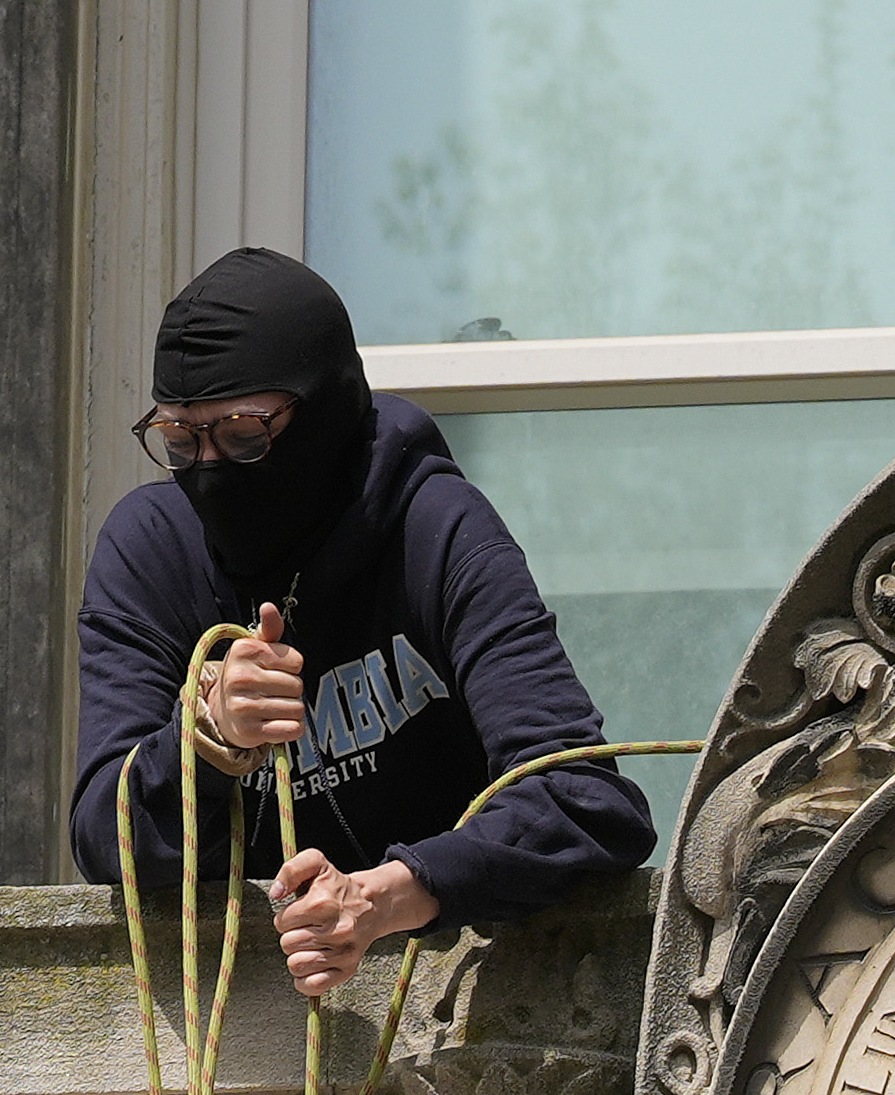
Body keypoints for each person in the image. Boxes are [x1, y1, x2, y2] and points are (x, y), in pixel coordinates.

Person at [71, 246, 652, 1004]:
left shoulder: (433, 528)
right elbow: (99, 831)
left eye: (245, 435)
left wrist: (391, 896)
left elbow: (583, 801)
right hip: (245, 1021)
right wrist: (204, 742)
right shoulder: (150, 550)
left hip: (453, 992)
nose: (210, 468)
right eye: (182, 441)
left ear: (325, 409)